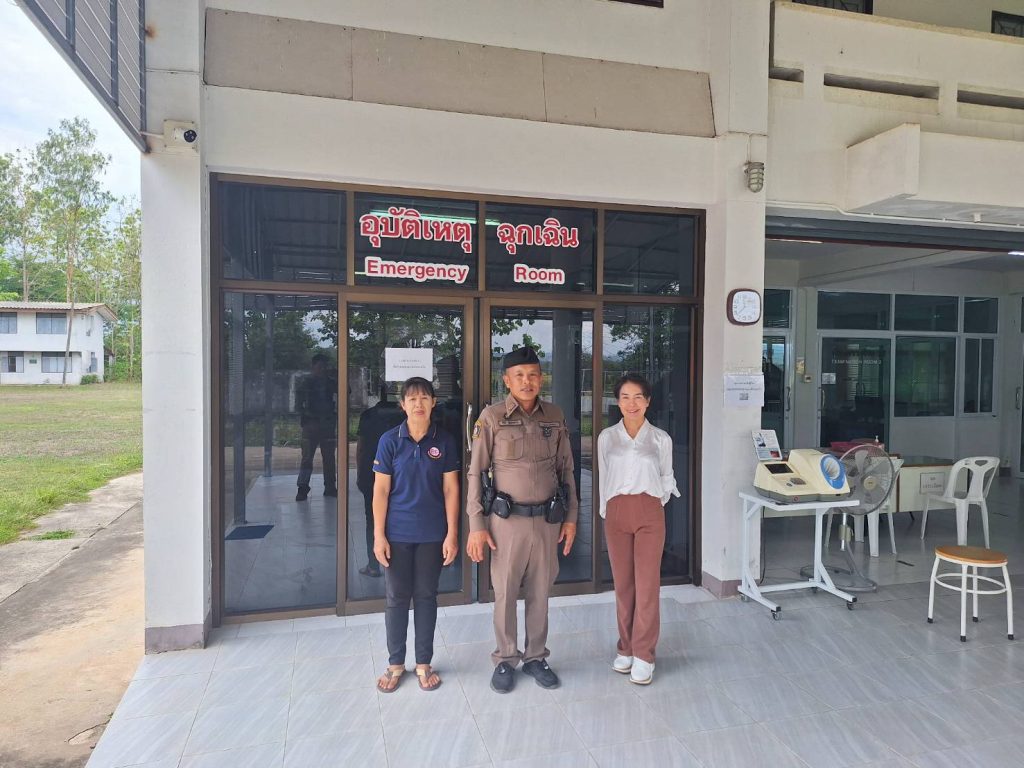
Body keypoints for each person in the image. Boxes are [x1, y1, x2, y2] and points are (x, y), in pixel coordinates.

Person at [466, 346, 578, 694]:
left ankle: (536, 657)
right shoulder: (492, 417)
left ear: (541, 378)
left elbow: (566, 469)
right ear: (506, 380)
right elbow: (475, 472)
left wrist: (571, 517)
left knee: (541, 592)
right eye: (519, 376)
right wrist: (476, 524)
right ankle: (505, 658)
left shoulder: (554, 415)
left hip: (547, 521)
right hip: (507, 523)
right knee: (505, 592)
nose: (526, 382)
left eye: (532, 375)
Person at [373, 377, 460, 693]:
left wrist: (452, 534)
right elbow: (381, 491)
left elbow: (451, 489)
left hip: (432, 534)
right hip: (397, 533)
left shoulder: (445, 441)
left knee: (425, 596)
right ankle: (395, 663)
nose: (418, 404)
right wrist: (378, 535)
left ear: (433, 402)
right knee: (396, 597)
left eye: (424, 398)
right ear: (403, 405)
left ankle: (424, 663)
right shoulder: (390, 441)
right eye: (412, 399)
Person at [598, 373, 679, 685]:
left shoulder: (660, 439)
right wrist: (607, 510)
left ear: (648, 402)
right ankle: (626, 647)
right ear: (618, 402)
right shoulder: (607, 438)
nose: (631, 404)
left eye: (637, 397)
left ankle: (644, 653)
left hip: (649, 511)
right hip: (616, 512)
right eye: (625, 397)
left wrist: (653, 503)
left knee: (647, 584)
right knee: (623, 584)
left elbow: (667, 478)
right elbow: (604, 477)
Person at [355, 382, 403, 577]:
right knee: (399, 518)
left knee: (373, 519)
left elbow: (360, 447)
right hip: (400, 475)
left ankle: (373, 565)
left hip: (371, 474)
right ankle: (398, 564)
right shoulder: (402, 415)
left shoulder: (368, 416)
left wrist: (360, 474)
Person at [296, 353, 338, 502]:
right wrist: (306, 418)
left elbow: (347, 390)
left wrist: (337, 376)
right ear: (313, 367)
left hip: (327, 424)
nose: (323, 370)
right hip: (311, 424)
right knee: (307, 458)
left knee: (329, 458)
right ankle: (302, 488)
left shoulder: (330, 382)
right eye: (320, 366)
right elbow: (298, 403)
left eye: (325, 367)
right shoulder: (306, 382)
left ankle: (330, 487)